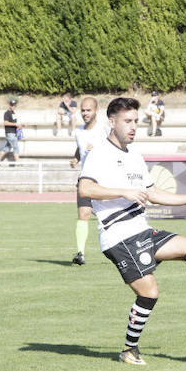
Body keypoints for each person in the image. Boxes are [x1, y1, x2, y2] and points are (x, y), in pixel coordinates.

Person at [77, 97, 186, 366]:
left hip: (140, 230)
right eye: (127, 121)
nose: (133, 127)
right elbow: (85, 189)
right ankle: (129, 350)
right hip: (118, 237)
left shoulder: (134, 155)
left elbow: (153, 193)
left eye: (136, 121)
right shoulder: (100, 153)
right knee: (149, 293)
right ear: (112, 122)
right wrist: (124, 191)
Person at [68, 96, 107, 266]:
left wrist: (97, 149)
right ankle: (80, 253)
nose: (85, 113)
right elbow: (80, 147)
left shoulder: (104, 130)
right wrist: (76, 159)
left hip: (104, 180)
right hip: (85, 179)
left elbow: (114, 148)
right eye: (83, 110)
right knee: (83, 214)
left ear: (96, 111)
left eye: (88, 110)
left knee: (108, 215)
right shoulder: (78, 132)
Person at [0, 98, 22, 165]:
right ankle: (18, 163)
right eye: (12, 105)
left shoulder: (13, 113)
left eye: (14, 105)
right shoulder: (7, 113)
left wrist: (19, 126)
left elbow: (14, 123)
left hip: (13, 133)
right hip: (10, 133)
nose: (13, 106)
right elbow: (6, 123)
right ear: (9, 105)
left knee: (7, 148)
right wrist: (15, 124)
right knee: (16, 147)